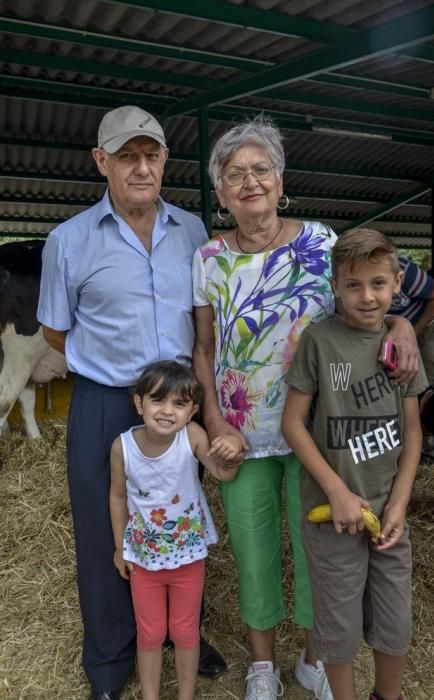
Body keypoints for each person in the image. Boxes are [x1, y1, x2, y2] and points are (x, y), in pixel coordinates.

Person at [192, 117, 419, 700]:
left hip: (318, 434)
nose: (250, 182)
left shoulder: (320, 242)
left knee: (324, 552)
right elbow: (205, 346)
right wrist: (214, 421)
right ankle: (263, 666)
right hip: (240, 436)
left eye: (260, 169)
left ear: (280, 179)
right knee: (253, 552)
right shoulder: (209, 259)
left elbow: (369, 297)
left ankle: (315, 658)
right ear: (220, 193)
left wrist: (402, 325)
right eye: (235, 174)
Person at [37, 105, 227, 700]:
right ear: (102, 161)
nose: (141, 167)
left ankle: (185, 629)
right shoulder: (67, 241)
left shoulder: (194, 231)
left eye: (151, 155)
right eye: (127, 156)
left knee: (181, 517)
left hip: (177, 406)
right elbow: (56, 333)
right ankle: (110, 661)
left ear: (165, 160)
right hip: (105, 403)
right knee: (105, 529)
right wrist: (114, 373)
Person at [282, 228, 428, 700]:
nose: (367, 296)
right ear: (336, 287)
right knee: (338, 628)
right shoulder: (319, 343)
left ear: (396, 283)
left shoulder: (402, 348)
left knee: (395, 621)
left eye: (378, 284)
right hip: (334, 516)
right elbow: (293, 424)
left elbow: (412, 432)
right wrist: (337, 492)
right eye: (353, 285)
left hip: (389, 513)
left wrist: (400, 505)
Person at [110, 361, 240, 700]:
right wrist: (119, 547)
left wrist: (232, 454)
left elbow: (222, 473)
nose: (168, 411)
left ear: (193, 411)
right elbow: (118, 496)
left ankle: (186, 696)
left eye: (179, 404)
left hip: (188, 558)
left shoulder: (193, 436)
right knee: (150, 633)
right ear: (139, 403)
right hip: (143, 560)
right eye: (158, 401)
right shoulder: (122, 447)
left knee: (185, 631)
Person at [389, 256, 434, 389]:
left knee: (432, 368)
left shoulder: (406, 272)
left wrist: (413, 332)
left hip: (427, 321)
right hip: (395, 325)